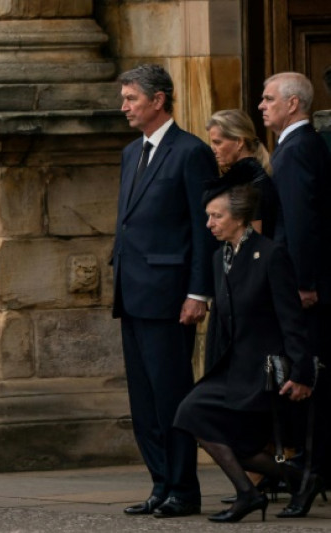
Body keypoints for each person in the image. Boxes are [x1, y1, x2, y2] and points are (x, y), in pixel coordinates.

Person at [174, 175, 319, 522]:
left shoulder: (270, 254)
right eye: (208, 216)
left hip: (265, 369)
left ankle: (255, 491)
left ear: (239, 218)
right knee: (193, 415)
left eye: (216, 216)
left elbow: (291, 321)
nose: (209, 223)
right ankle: (288, 481)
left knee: (219, 430)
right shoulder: (218, 257)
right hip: (233, 366)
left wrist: (301, 374)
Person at [112, 64, 217, 518]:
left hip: (170, 295)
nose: (125, 107)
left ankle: (183, 489)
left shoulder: (191, 152)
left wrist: (198, 292)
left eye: (131, 98)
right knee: (144, 400)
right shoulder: (131, 152)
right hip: (132, 292)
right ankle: (159, 483)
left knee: (171, 393)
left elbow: (202, 229)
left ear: (158, 100)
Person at [259, 72, 331, 484]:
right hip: (303, 279)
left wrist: (303, 282)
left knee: (306, 375)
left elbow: (301, 223)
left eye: (269, 99)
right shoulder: (299, 145)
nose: (262, 106)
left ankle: (309, 469)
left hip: (303, 285)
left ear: (293, 104)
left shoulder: (297, 149)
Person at [206, 109, 281, 239]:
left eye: (218, 142)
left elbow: (253, 241)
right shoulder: (242, 177)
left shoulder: (252, 182)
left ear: (239, 142)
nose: (213, 149)